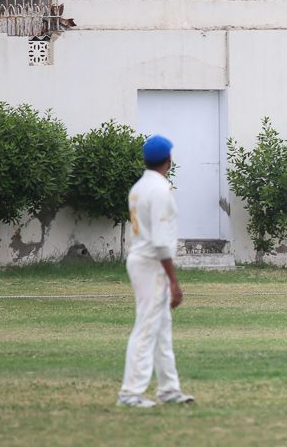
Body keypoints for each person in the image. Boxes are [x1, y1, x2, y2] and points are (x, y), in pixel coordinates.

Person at [117, 134, 194, 407]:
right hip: (152, 263)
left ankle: (169, 389)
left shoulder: (140, 186)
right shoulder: (160, 190)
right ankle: (130, 393)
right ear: (168, 159)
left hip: (143, 260)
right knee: (147, 326)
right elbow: (161, 242)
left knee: (161, 327)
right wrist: (174, 281)